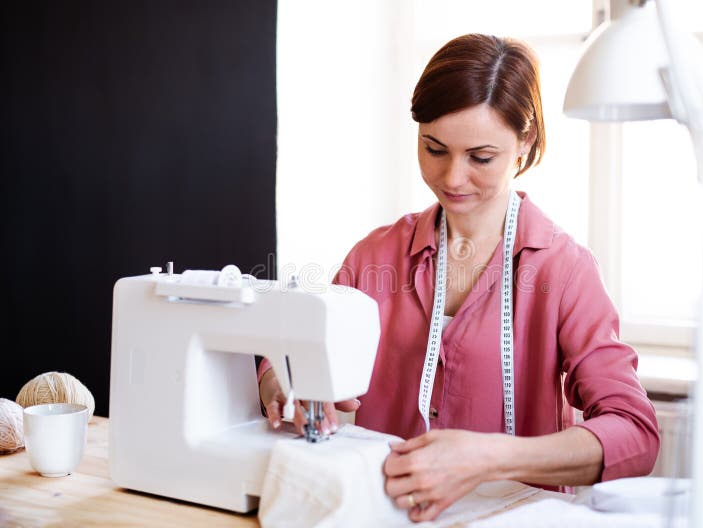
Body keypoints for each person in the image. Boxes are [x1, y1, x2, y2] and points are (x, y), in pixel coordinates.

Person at [258, 33, 659, 523]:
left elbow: (635, 434)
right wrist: (281, 382)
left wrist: (489, 458)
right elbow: (291, 346)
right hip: (384, 515)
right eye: (434, 148)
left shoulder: (565, 270)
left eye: (480, 157)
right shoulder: (375, 256)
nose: (451, 177)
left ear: (524, 142)